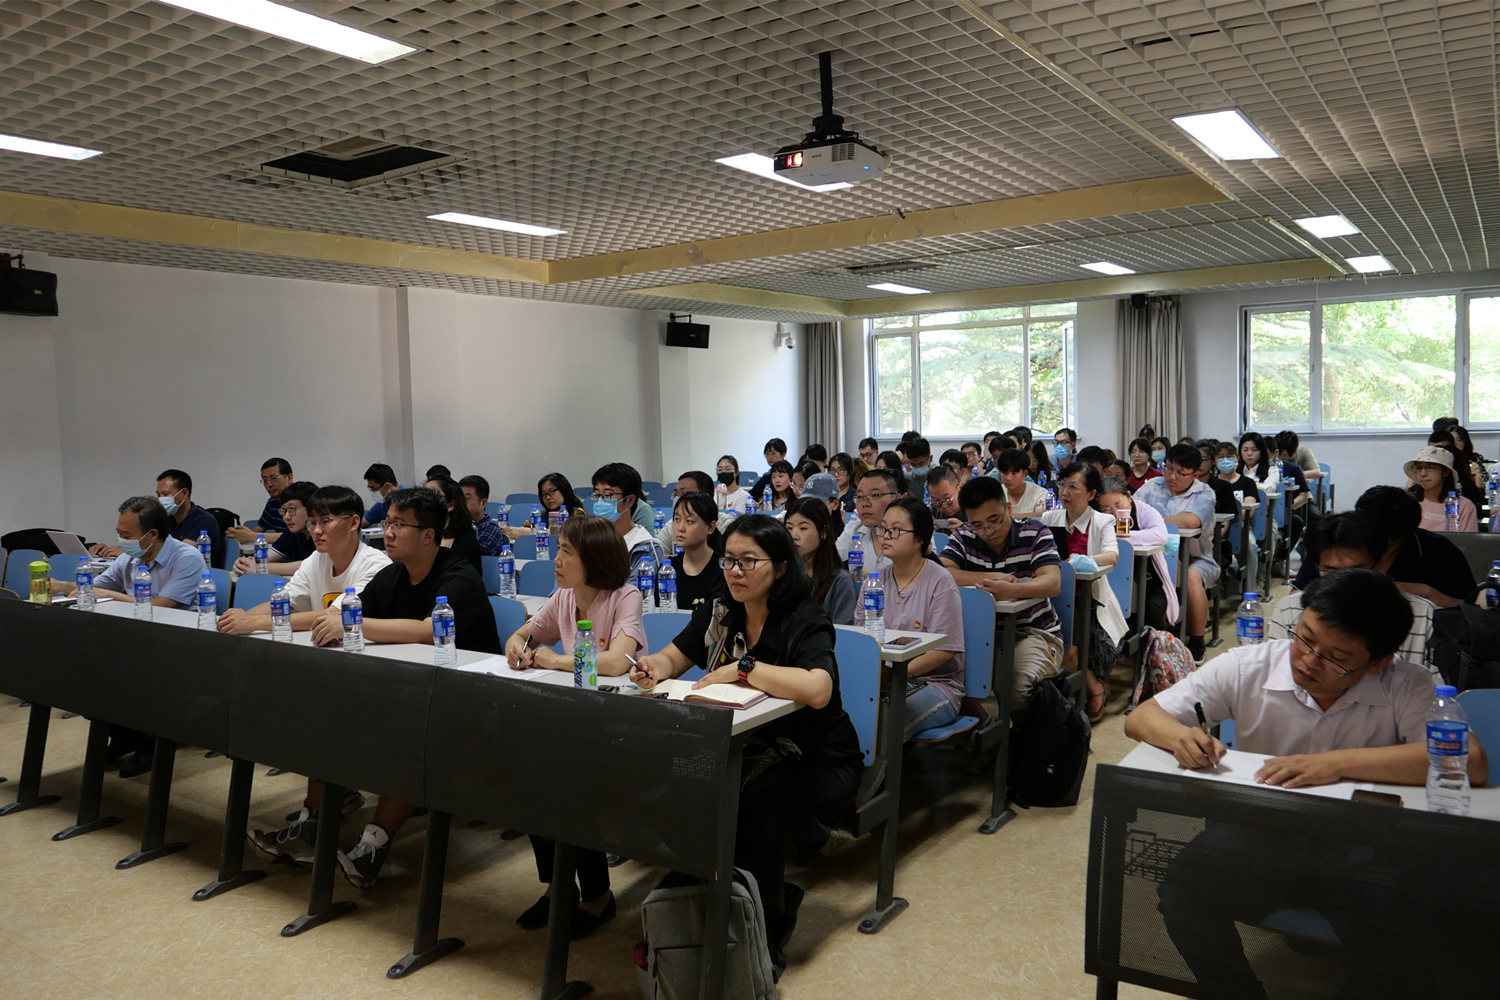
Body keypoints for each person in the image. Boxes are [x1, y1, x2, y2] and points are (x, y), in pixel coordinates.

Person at [1124, 569, 1488, 999]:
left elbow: (1471, 762)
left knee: (1407, 932)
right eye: (1305, 638)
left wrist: (1334, 765)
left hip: (1365, 843)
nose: (1309, 661)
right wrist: (1180, 737)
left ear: (1378, 662)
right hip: (1264, 830)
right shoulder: (1250, 666)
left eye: (1336, 657)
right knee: (1182, 892)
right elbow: (1142, 718)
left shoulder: (1406, 686)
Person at [629, 515, 863, 971]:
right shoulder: (720, 610)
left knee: (754, 810)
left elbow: (818, 689)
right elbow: (674, 656)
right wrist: (653, 667)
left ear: (780, 567)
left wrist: (744, 668)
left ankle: (766, 932)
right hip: (747, 748)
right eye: (730, 560)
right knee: (683, 793)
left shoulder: (805, 617)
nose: (735, 571)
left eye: (748, 561)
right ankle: (709, 911)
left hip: (815, 758)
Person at [251, 488, 499, 888]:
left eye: (400, 525)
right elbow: (347, 612)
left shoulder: (459, 576)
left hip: (470, 698)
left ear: (428, 535)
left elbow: (426, 631)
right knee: (328, 716)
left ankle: (373, 844)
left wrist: (352, 623)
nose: (388, 532)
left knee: (411, 734)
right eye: (388, 523)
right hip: (410, 686)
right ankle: (313, 824)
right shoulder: (392, 575)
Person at [500, 514, 643, 936]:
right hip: (574, 721)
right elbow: (524, 635)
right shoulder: (563, 596)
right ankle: (558, 885)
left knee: (561, 778)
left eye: (566, 552)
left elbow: (616, 662)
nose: (556, 560)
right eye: (558, 549)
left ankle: (597, 894)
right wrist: (516, 647)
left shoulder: (625, 596)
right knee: (525, 774)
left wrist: (556, 660)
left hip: (620, 725)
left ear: (594, 559)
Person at [939, 475, 1064, 711]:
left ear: (1008, 508)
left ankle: (1020, 732)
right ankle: (984, 726)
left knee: (1016, 684)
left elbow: (1052, 582)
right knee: (944, 675)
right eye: (977, 525)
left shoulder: (1035, 532)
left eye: (994, 521)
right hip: (977, 633)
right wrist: (995, 578)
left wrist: (1013, 589)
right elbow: (943, 573)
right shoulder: (964, 535)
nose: (988, 531)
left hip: (1032, 632)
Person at [1268, 511, 1436, 666]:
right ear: (1317, 566)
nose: (1344, 584)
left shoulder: (1423, 616)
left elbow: (1436, 686)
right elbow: (1277, 674)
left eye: (1355, 573)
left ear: (1381, 563)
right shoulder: (1290, 610)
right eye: (1331, 572)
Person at [219, 485, 391, 636]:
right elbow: (282, 602)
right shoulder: (317, 559)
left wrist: (254, 622)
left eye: (325, 521)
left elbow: (335, 615)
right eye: (312, 523)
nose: (316, 531)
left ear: (353, 523)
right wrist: (240, 619)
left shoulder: (376, 565)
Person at [1041, 464, 1127, 722]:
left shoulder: (1102, 521)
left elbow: (1112, 556)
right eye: (1062, 485)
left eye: (1073, 487)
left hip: (1088, 598)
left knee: (1068, 643)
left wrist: (1081, 560)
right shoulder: (1049, 518)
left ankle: (1094, 687)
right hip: (1052, 595)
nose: (1065, 492)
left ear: (1091, 494)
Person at [875, 498, 967, 737]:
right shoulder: (875, 582)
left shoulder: (940, 581)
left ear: (919, 540)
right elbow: (865, 638)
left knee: (882, 722)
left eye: (895, 530)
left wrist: (894, 676)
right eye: (883, 528)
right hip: (884, 678)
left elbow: (943, 651)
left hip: (935, 684)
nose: (886, 535)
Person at [1134, 443, 1218, 662]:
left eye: (1180, 473)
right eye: (1169, 468)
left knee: (1190, 578)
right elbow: (1133, 510)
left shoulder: (1204, 493)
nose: (1172, 476)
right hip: (1152, 557)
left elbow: (1191, 520)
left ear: (1195, 475)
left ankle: (1197, 640)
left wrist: (1152, 521)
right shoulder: (1152, 485)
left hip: (1194, 558)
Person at [52, 496, 202, 610]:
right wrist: (62, 586)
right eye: (119, 534)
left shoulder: (186, 558)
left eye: (127, 536)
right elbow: (92, 587)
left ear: (152, 535)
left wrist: (106, 594)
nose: (121, 541)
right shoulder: (130, 558)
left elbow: (161, 605)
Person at [1097, 477, 1177, 634]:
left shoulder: (1145, 511)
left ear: (1128, 496)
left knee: (1151, 609)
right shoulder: (1099, 518)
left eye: (1118, 505)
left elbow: (1161, 535)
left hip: (1148, 581)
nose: (1115, 513)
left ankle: (1156, 647)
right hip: (1110, 580)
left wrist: (1124, 538)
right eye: (1106, 508)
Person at [786, 497, 857, 626]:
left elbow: (843, 630)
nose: (794, 536)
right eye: (789, 528)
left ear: (823, 532)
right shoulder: (781, 575)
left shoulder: (839, 580)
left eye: (803, 528)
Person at [234, 480, 317, 576]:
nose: (286, 517)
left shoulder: (322, 533)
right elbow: (265, 558)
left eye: (291, 509)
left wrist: (259, 568)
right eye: (283, 510)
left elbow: (313, 565)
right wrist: (243, 564)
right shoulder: (291, 533)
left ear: (311, 509)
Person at [591, 463, 664, 570]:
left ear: (630, 500)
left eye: (607, 495)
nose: (600, 502)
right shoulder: (589, 540)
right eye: (597, 495)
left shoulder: (645, 547)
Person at [151, 468, 224, 569]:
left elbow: (180, 553)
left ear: (184, 493)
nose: (160, 499)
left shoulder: (204, 520)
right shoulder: (166, 520)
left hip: (199, 574)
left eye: (165, 494)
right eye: (158, 495)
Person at [835, 468, 901, 577]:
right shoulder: (853, 529)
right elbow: (830, 562)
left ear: (896, 499)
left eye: (875, 495)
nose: (865, 504)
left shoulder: (910, 533)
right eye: (860, 497)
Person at [669, 491, 726, 611]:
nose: (680, 528)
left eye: (689, 521)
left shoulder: (723, 570)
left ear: (710, 527)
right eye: (677, 519)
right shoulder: (668, 569)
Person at [1405, 445, 1477, 532]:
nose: (1423, 473)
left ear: (1446, 472)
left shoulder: (1464, 506)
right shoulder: (1407, 503)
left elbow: (1467, 539)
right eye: (1418, 468)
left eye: (1429, 467)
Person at [227, 457, 293, 546]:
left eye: (274, 478)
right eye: (265, 480)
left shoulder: (302, 501)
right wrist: (238, 534)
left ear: (289, 478)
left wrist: (253, 536)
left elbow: (296, 536)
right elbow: (256, 531)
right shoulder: (272, 503)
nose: (269, 484)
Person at [424, 477, 483, 574]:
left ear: (451, 505)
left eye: (433, 496)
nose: (424, 503)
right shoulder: (422, 534)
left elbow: (459, 577)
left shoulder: (465, 540)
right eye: (422, 496)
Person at [504, 472, 587, 540]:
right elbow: (524, 530)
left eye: (552, 491)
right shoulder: (542, 515)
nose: (548, 497)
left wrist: (530, 532)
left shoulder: (578, 513)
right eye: (544, 494)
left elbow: (571, 536)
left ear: (564, 490)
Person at [991, 448, 1047, 517]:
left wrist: (1010, 517)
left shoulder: (1039, 493)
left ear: (1025, 474)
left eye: (1014, 473)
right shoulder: (995, 493)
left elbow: (1041, 514)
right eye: (1005, 473)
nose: (1008, 478)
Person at [459, 475, 506, 556]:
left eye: (467, 499)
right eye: (459, 498)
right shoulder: (457, 524)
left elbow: (477, 554)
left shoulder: (490, 528)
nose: (461, 503)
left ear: (483, 503)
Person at [926, 464, 964, 533]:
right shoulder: (934, 512)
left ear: (960, 487)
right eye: (936, 501)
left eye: (947, 499)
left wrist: (966, 531)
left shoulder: (976, 510)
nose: (944, 506)